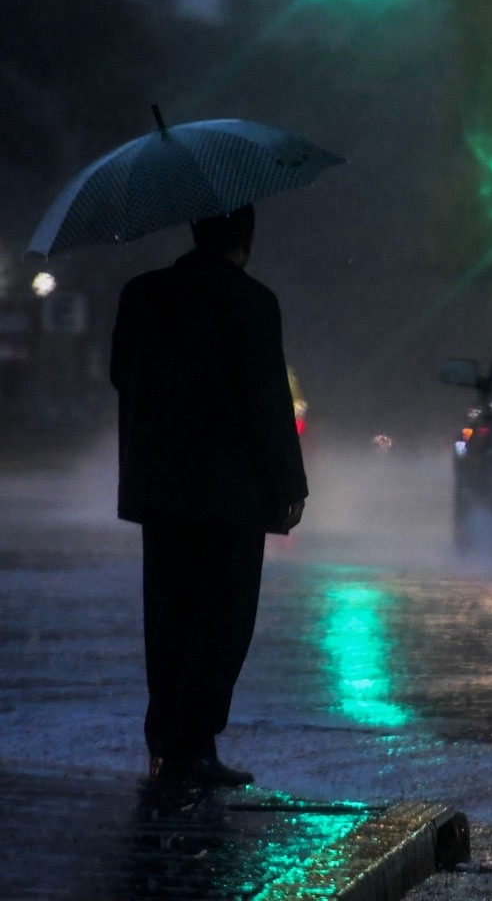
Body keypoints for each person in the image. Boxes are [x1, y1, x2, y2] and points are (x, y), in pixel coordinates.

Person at [110, 204, 307, 787]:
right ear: (245, 238)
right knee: (222, 621)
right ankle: (196, 741)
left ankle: (168, 739)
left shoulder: (142, 294)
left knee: (167, 616)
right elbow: (268, 402)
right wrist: (289, 487)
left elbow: (122, 373)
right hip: (232, 496)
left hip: (162, 486)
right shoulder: (253, 303)